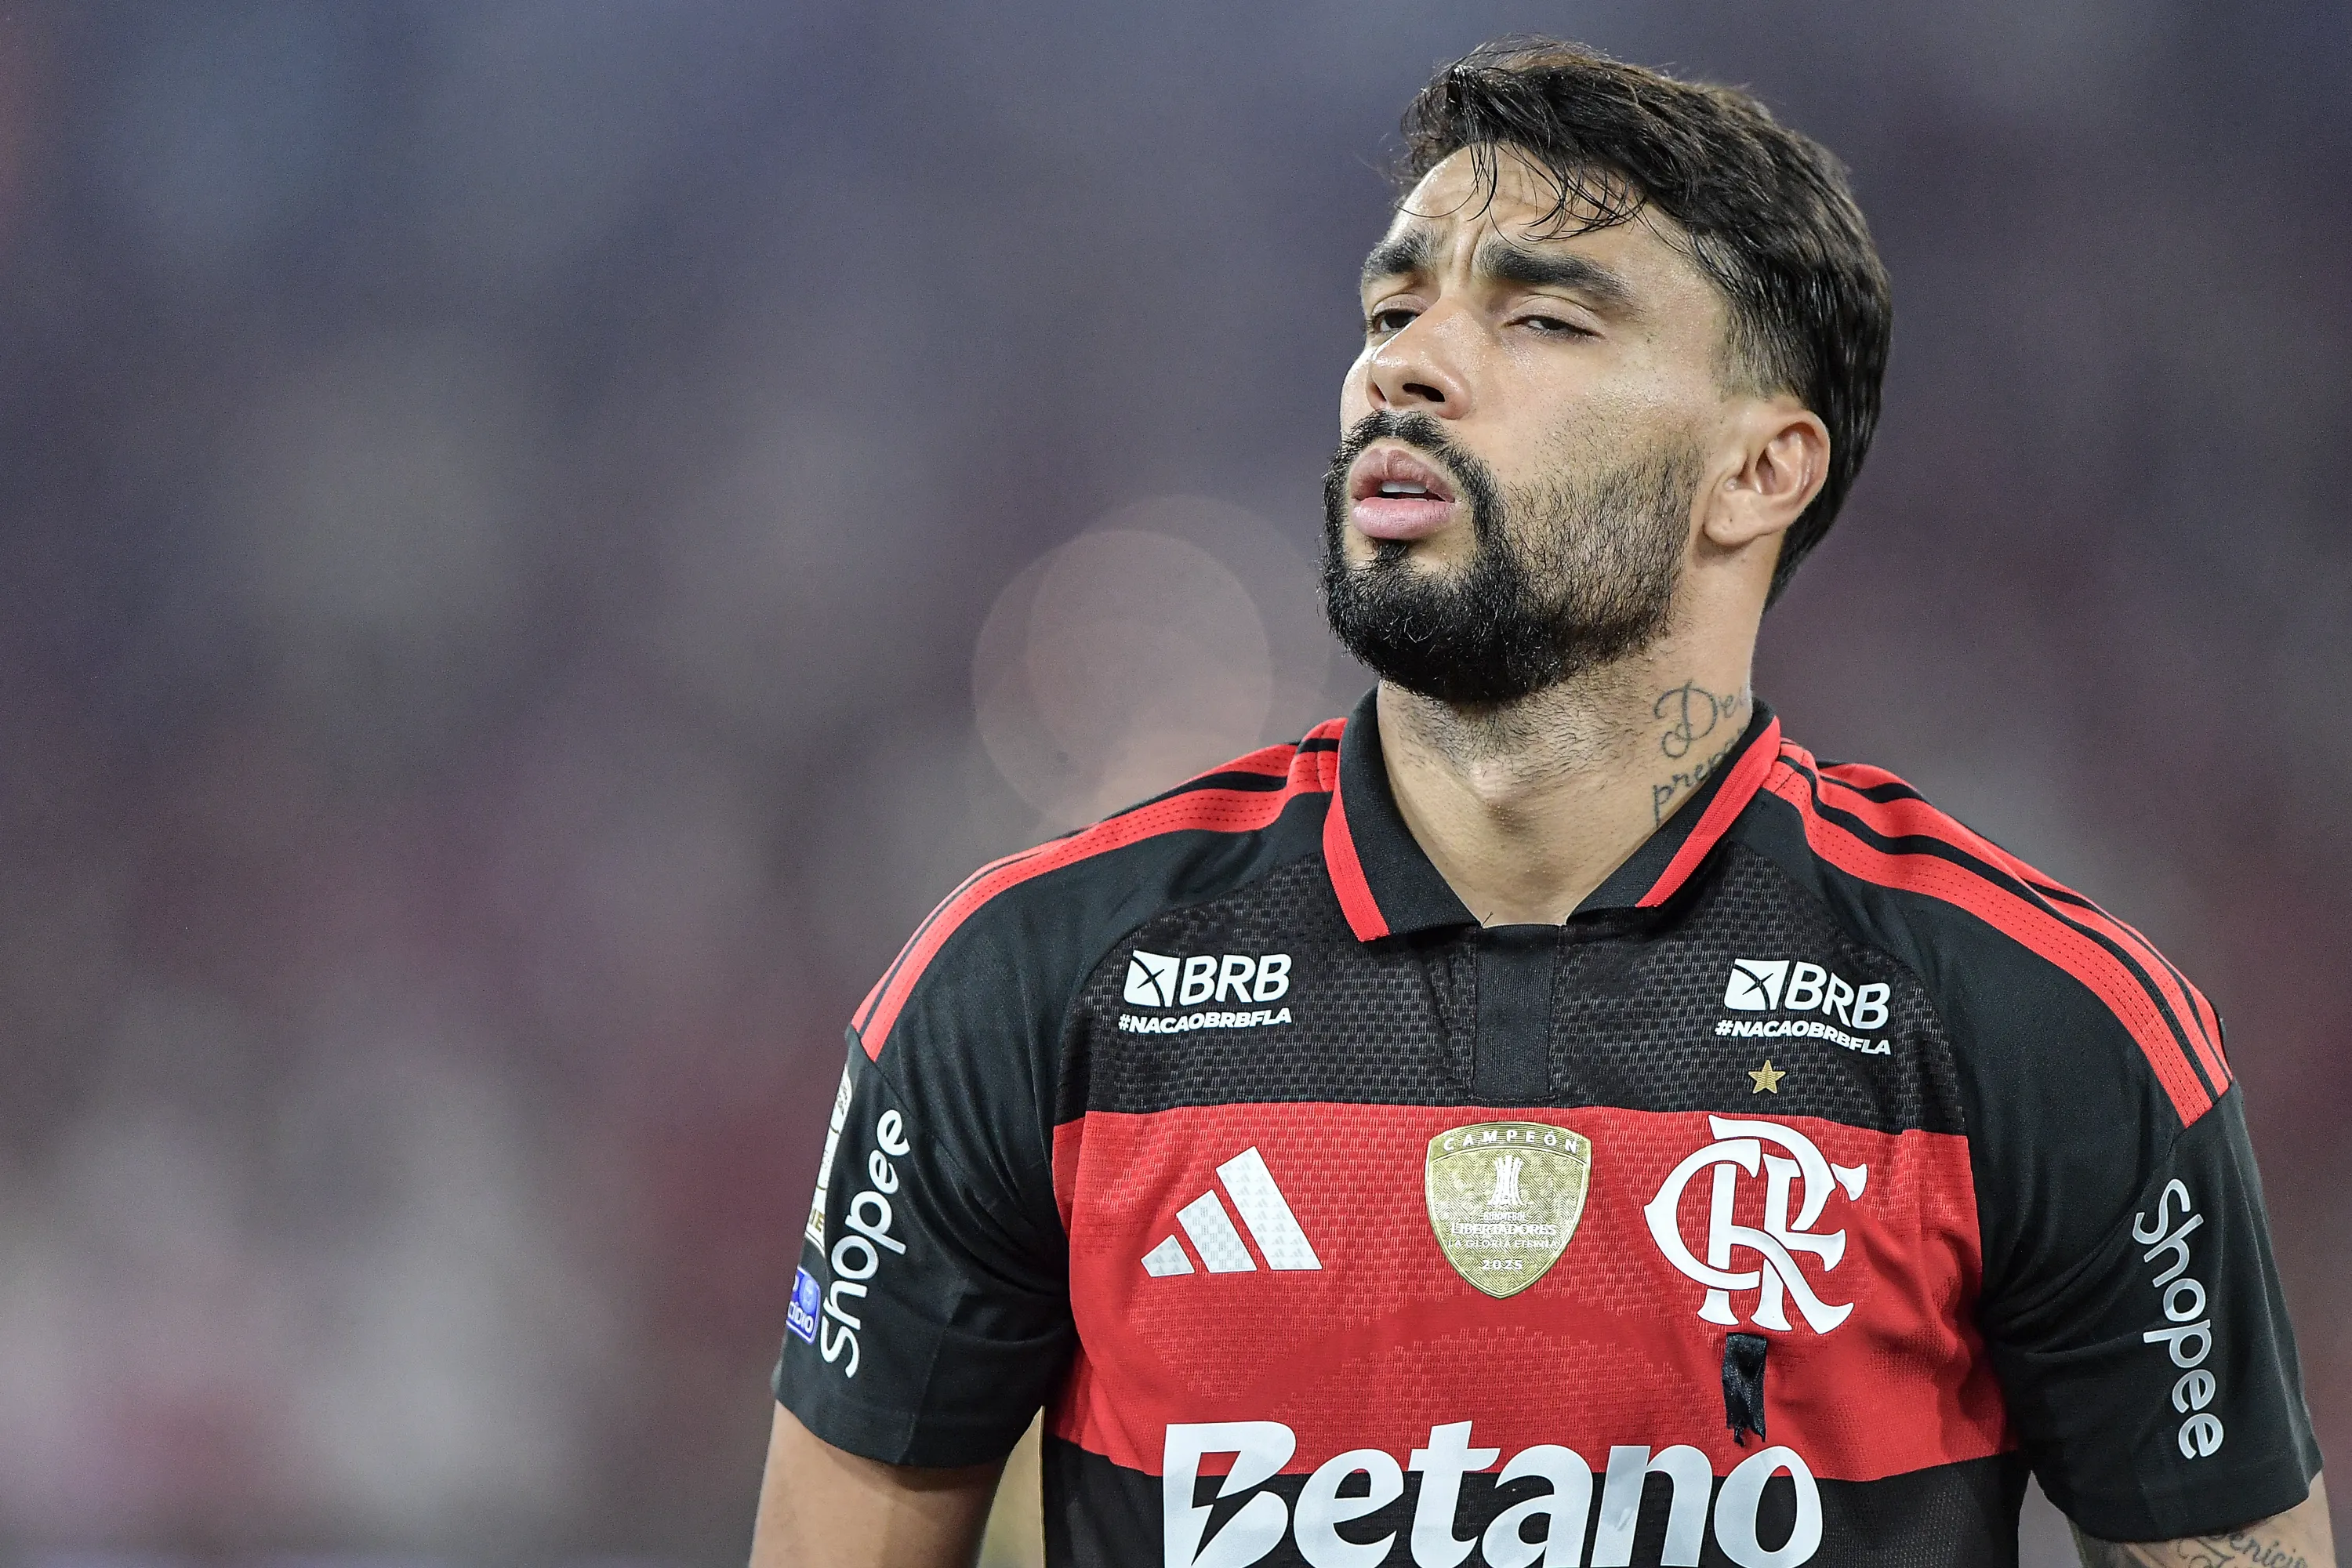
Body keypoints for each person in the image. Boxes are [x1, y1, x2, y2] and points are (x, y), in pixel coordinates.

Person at [750, 38, 2331, 1568]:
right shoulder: (1026, 987)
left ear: (1759, 472)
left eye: (1545, 318)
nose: (1405, 361)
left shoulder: (2041, 1026)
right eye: (1395, 302)